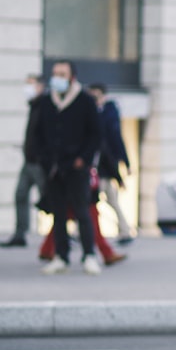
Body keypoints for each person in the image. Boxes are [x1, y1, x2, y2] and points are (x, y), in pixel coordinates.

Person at [32, 60, 103, 275]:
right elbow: (37, 132)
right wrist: (44, 158)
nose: (57, 78)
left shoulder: (85, 100)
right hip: (54, 167)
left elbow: (96, 134)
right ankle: (61, 256)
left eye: (62, 74)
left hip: (77, 167)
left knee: (83, 212)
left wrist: (83, 159)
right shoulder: (46, 102)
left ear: (72, 77)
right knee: (59, 214)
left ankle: (89, 255)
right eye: (55, 73)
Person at [0, 74, 47, 248]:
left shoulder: (45, 105)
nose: (27, 88)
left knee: (49, 200)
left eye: (31, 84)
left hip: (40, 163)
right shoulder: (34, 105)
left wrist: (42, 157)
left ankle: (64, 234)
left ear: (40, 86)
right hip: (29, 160)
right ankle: (20, 234)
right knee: (20, 195)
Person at [88, 83, 135, 244]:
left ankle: (123, 231)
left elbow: (116, 140)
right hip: (99, 166)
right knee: (108, 200)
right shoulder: (96, 113)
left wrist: (125, 164)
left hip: (104, 167)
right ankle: (124, 230)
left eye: (96, 96)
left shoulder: (108, 114)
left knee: (92, 201)